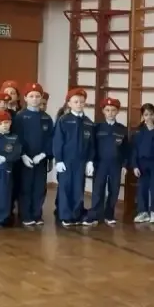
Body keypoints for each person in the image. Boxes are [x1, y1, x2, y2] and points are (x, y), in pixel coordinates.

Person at [52, 88, 94, 228]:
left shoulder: (88, 122)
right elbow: (58, 141)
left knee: (78, 188)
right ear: (69, 103)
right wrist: (58, 160)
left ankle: (76, 215)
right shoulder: (64, 120)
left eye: (82, 102)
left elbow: (91, 144)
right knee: (66, 188)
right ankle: (65, 216)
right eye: (76, 102)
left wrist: (90, 161)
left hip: (81, 161)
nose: (79, 104)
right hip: (66, 160)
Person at [14, 83, 54, 227]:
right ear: (25, 98)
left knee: (39, 187)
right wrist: (23, 155)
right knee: (25, 187)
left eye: (37, 96)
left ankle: (37, 214)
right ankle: (26, 215)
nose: (35, 99)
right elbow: (16, 137)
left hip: (40, 159)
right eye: (31, 96)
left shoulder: (46, 118)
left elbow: (51, 139)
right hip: (25, 159)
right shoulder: (20, 117)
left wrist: (43, 155)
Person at [89, 97, 129, 226]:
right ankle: (95, 215)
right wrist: (90, 161)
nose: (110, 113)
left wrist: (125, 165)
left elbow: (126, 149)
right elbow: (92, 146)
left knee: (114, 190)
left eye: (113, 110)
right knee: (98, 190)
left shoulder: (122, 129)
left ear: (117, 111)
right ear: (103, 111)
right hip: (100, 164)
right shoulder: (97, 127)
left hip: (115, 165)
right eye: (107, 110)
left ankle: (109, 214)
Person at [130, 104, 154, 224]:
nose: (149, 117)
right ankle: (143, 212)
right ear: (142, 116)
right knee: (142, 188)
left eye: (151, 114)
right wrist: (135, 165)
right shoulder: (138, 131)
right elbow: (134, 149)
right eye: (146, 115)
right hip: (142, 163)